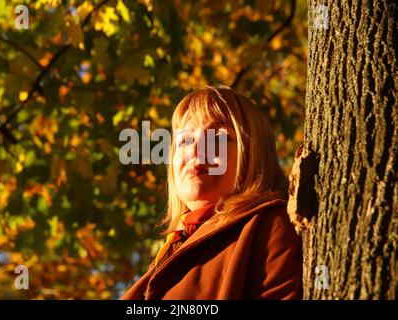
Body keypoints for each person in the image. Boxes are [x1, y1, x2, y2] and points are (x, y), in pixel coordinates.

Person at [121, 85, 302, 300]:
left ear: (253, 155)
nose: (196, 150)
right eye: (184, 141)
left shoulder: (269, 225)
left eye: (218, 138)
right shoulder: (169, 251)